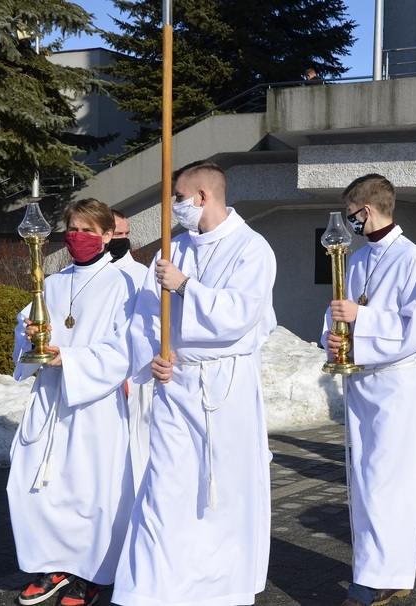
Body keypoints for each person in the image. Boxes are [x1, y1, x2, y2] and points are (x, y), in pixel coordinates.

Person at [113, 161, 277, 606]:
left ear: (203, 197)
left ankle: (223, 588)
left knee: (223, 490)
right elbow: (147, 316)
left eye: (179, 198)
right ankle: (150, 589)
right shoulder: (174, 247)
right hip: (175, 385)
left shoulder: (252, 247)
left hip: (227, 385)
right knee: (165, 485)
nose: (175, 207)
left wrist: (186, 286)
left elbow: (239, 317)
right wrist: (157, 355)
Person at [9, 198, 136, 606]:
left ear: (105, 235)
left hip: (93, 401)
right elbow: (27, 327)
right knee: (35, 485)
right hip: (49, 398)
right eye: (72, 228)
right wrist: (30, 336)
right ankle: (53, 566)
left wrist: (71, 358)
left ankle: (91, 574)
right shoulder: (53, 281)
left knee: (90, 489)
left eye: (87, 229)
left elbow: (126, 349)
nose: (77, 236)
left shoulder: (124, 284)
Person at [323, 174, 416, 606]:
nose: (348, 223)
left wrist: (361, 320)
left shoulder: (413, 260)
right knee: (363, 481)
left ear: (365, 211)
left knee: (389, 480)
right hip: (360, 381)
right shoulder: (356, 260)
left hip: (394, 385)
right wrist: (334, 338)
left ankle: (382, 575)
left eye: (351, 214)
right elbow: (338, 311)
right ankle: (373, 568)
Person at [109, 210, 154, 494]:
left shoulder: (140, 276)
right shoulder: (74, 276)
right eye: (117, 235)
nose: (123, 240)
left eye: (126, 235)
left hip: (131, 375)